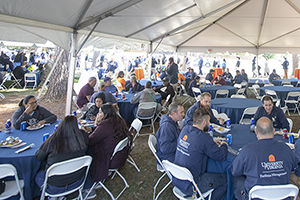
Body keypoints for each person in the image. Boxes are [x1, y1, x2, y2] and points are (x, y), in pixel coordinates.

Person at [232, 117, 298, 200]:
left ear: (256, 131)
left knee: (237, 178)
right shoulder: (286, 148)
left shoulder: (247, 150)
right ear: (274, 131)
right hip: (282, 197)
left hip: (255, 197)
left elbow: (235, 171)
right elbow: (294, 168)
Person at [173, 107, 228, 199]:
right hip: (193, 184)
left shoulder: (185, 130)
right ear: (204, 122)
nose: (209, 123)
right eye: (209, 121)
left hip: (177, 178)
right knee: (226, 179)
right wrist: (224, 145)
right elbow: (221, 155)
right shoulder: (204, 138)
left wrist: (211, 141)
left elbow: (196, 142)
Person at [34, 115, 91, 197]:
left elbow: (38, 157)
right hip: (77, 181)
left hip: (54, 186)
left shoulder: (53, 140)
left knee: (36, 175)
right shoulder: (83, 136)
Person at [83, 104, 132, 183]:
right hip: (119, 155)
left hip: (108, 157)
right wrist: (91, 129)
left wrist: (83, 133)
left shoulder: (104, 125)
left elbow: (90, 141)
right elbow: (101, 131)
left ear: (105, 114)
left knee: (87, 149)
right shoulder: (117, 119)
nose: (98, 114)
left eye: (100, 112)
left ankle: (87, 177)